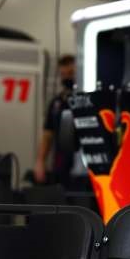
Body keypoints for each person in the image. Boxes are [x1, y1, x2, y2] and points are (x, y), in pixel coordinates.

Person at [33, 55, 76, 186]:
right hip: (61, 163)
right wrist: (40, 161)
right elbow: (48, 134)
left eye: (70, 73)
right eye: (63, 74)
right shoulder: (57, 102)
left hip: (82, 164)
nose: (66, 77)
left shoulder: (88, 99)